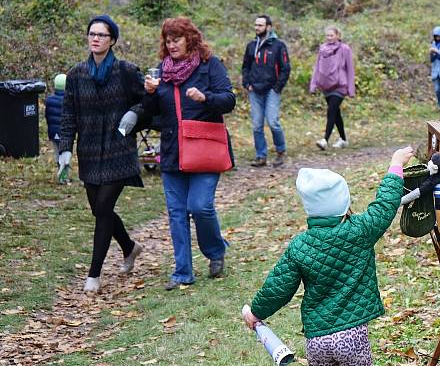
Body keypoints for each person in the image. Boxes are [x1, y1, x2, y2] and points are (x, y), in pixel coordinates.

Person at [241, 146, 415, 366]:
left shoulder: (301, 246)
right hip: (353, 337)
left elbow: (278, 287)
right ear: (343, 204)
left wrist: (255, 313)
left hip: (318, 339)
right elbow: (384, 206)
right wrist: (396, 165)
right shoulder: (360, 231)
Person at [143, 17, 235, 291]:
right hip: (172, 151)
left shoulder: (209, 66)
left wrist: (206, 97)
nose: (171, 45)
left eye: (177, 40)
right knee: (176, 213)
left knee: (200, 206)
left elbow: (229, 99)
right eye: (168, 41)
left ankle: (216, 250)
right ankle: (183, 271)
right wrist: (148, 94)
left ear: (190, 39)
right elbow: (152, 115)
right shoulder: (162, 71)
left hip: (204, 148)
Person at [57, 15, 145, 293]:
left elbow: (149, 100)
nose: (95, 38)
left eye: (102, 35)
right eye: (92, 34)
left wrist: (135, 112)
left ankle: (94, 275)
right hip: (90, 152)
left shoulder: (127, 71)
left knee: (104, 208)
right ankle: (130, 247)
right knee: (99, 210)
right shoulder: (76, 75)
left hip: (119, 151)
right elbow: (68, 115)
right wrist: (65, 150)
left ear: (112, 40)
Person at [242, 15, 290, 167]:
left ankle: (280, 151)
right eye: (256, 25)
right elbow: (245, 66)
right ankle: (261, 156)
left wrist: (277, 88)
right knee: (257, 125)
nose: (257, 28)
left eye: (260, 25)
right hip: (254, 90)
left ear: (268, 27)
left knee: (273, 122)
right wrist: (247, 83)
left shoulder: (278, 45)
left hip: (271, 90)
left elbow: (285, 68)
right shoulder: (251, 46)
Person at [310, 25, 355, 150]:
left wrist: (351, 89)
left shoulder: (345, 49)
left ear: (338, 36)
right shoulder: (322, 49)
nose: (329, 38)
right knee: (335, 113)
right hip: (326, 85)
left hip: (340, 85)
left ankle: (325, 140)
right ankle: (343, 139)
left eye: (332, 35)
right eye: (327, 35)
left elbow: (350, 69)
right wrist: (313, 85)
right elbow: (317, 68)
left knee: (331, 111)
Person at [45, 73, 66, 159]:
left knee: (57, 151)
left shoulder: (49, 100)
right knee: (65, 153)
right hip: (65, 133)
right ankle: (63, 171)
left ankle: (59, 166)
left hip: (53, 131)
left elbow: (47, 116)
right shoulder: (69, 100)